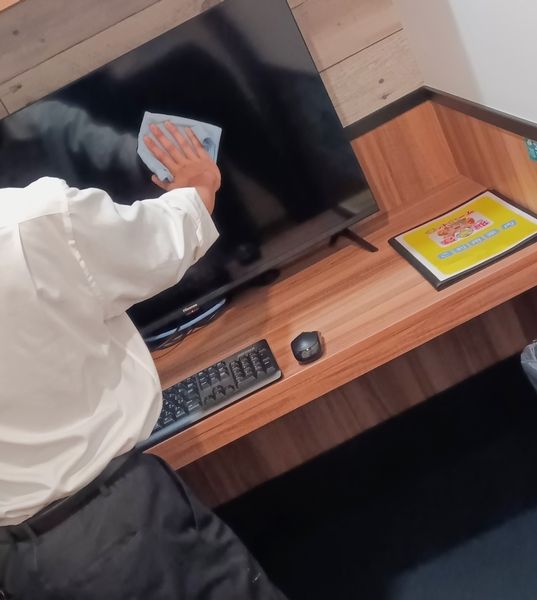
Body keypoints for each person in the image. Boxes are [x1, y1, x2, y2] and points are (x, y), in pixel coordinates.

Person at [0, 122, 286, 599]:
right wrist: (199, 187)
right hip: (123, 526)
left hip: (22, 565)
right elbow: (164, 242)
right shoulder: (29, 223)